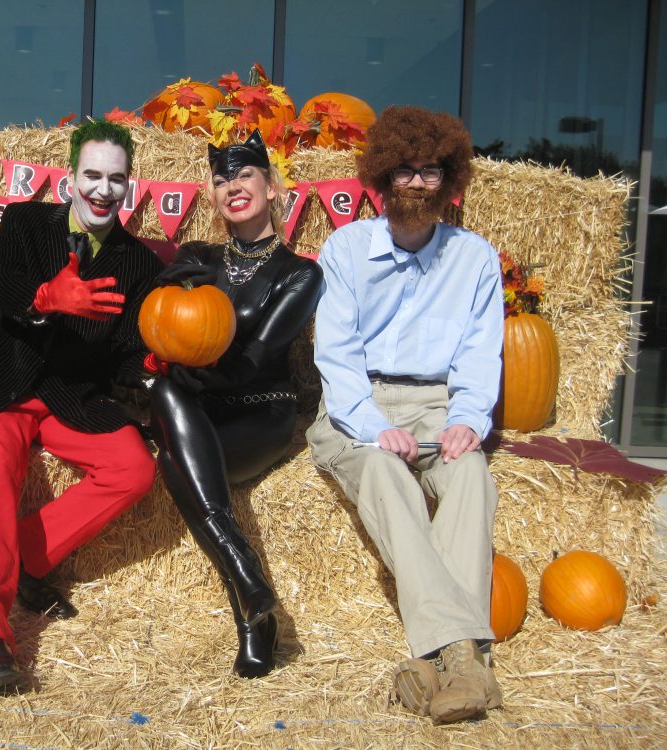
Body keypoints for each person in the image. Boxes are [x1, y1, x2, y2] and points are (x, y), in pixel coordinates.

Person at [0, 120, 163, 695]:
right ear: (70, 178)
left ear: (128, 186)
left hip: (71, 397)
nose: (103, 190)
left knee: (134, 468)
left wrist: (150, 364)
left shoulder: (138, 264)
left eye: (116, 179)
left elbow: (126, 351)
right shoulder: (25, 223)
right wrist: (43, 298)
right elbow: (1, 288)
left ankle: (25, 561)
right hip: (8, 386)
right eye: (92, 175)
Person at [305, 106, 505, 724]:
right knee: (387, 476)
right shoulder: (345, 249)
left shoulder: (474, 259)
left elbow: (480, 351)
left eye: (432, 172)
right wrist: (372, 425)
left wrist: (468, 417)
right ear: (382, 177)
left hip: (440, 402)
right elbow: (334, 356)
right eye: (407, 171)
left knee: (471, 473)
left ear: (449, 181)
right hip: (358, 402)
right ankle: (464, 657)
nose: (418, 183)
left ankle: (432, 664)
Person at [146, 130, 323, 678]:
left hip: (258, 410)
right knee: (168, 398)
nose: (233, 186)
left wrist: (189, 376)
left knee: (173, 452)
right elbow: (158, 325)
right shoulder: (196, 256)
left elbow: (254, 359)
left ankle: (251, 606)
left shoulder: (301, 274)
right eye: (222, 179)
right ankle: (251, 592)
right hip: (198, 409)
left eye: (245, 175)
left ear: (271, 187)